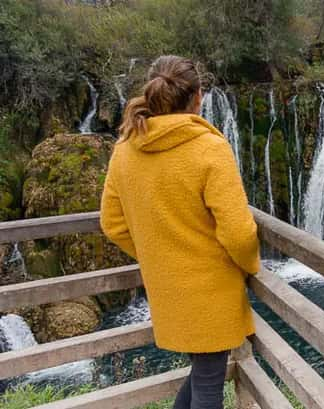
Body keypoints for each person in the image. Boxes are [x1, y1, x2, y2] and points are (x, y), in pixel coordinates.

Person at [100, 55, 260, 409]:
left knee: (203, 373)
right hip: (210, 289)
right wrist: (250, 266)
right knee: (207, 385)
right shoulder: (209, 148)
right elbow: (239, 234)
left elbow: (112, 225)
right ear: (198, 96)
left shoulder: (125, 150)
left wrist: (160, 253)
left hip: (167, 288)